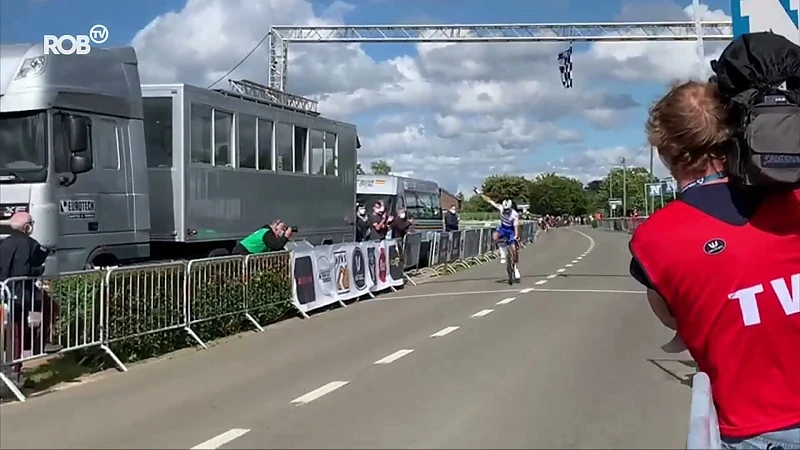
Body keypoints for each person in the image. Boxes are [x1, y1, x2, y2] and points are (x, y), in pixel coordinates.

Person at [629, 78, 800, 448]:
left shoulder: (653, 240)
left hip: (758, 432)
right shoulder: (793, 199)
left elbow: (675, 318)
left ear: (666, 151)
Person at [474, 188, 521, 280]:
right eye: (505, 209)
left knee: (514, 251)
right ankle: (502, 251)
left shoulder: (514, 214)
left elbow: (516, 226)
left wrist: (516, 236)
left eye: (507, 210)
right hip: (503, 228)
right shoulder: (500, 208)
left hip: (511, 230)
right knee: (495, 235)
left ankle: (515, 268)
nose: (506, 211)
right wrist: (480, 193)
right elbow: (489, 201)